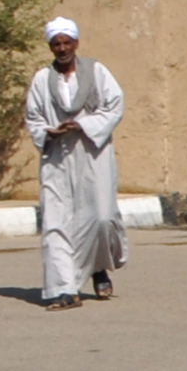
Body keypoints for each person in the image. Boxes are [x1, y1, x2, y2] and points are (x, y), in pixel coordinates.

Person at [24, 18, 126, 307]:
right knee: (56, 223)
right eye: (56, 43)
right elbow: (33, 117)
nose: (62, 48)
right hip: (57, 156)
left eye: (67, 42)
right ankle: (65, 289)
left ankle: (96, 266)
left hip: (93, 152)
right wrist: (48, 131)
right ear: (50, 47)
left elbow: (114, 105)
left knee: (101, 218)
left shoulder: (96, 71)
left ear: (76, 43)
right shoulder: (42, 80)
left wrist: (84, 125)